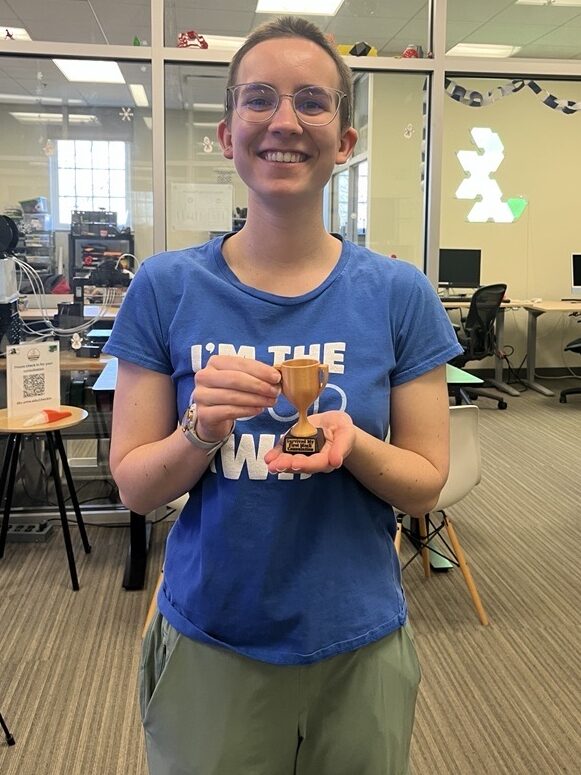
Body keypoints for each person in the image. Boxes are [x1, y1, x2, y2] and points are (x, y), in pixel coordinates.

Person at [103, 15, 462, 775]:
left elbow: (426, 479)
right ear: (227, 134)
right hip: (212, 637)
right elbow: (135, 488)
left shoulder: (399, 294)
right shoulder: (166, 287)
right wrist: (199, 429)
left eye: (312, 101)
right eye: (259, 99)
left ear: (345, 142)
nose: (284, 122)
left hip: (358, 640)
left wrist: (355, 445)